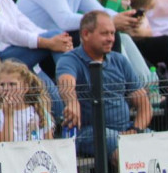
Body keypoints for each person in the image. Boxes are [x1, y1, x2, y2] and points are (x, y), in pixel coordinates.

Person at [56, 11, 149, 163]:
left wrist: (136, 130)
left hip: (127, 129)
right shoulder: (70, 60)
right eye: (105, 34)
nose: (111, 39)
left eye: (112, 33)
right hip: (90, 132)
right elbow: (66, 83)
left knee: (161, 144)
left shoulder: (120, 60)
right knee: (124, 151)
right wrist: (72, 102)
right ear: (86, 34)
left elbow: (144, 104)